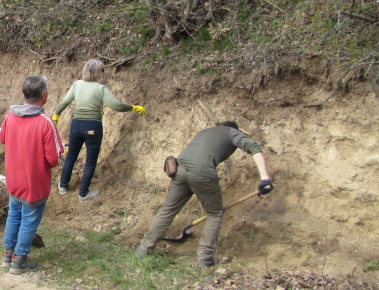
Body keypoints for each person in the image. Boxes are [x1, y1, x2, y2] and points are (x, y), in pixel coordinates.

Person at [135, 121, 274, 268]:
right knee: (215, 214)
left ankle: (143, 250)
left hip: (180, 170)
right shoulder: (230, 132)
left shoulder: (205, 132)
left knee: (167, 210)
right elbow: (254, 147)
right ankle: (205, 259)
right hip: (202, 173)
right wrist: (265, 178)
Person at [52, 59, 147, 202]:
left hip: (76, 126)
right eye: (102, 70)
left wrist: (56, 115)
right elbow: (117, 106)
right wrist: (134, 108)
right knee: (90, 162)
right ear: (97, 72)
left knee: (71, 155)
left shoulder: (77, 84)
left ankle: (63, 186)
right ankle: (83, 194)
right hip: (93, 128)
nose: (103, 73)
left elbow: (65, 102)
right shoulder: (101, 88)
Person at [0, 76, 64, 274]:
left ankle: (8, 255)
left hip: (13, 178)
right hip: (33, 182)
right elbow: (53, 158)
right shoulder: (46, 122)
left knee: (14, 215)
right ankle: (19, 260)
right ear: (43, 95)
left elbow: (1, 137)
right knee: (29, 220)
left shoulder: (11, 116)